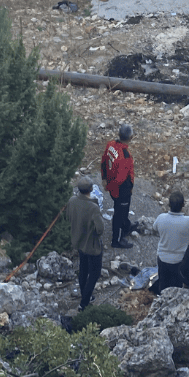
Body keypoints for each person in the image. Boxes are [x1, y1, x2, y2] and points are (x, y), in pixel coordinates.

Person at [65, 178, 105, 311]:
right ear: (91, 189)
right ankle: (84, 302)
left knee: (83, 269)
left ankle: (84, 294)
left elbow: (68, 217)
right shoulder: (93, 207)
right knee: (95, 273)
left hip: (78, 241)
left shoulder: (72, 201)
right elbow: (100, 229)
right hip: (92, 244)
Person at [152, 191, 189, 294]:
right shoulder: (188, 221)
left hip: (163, 258)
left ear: (169, 205)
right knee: (177, 287)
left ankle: (161, 302)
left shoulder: (161, 218)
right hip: (179, 260)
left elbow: (154, 228)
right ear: (183, 205)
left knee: (163, 284)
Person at [101, 124, 136, 249]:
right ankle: (117, 240)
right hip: (121, 190)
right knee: (119, 214)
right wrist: (110, 187)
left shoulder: (110, 145)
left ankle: (127, 225)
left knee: (122, 211)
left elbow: (104, 161)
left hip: (113, 186)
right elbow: (120, 179)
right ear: (131, 137)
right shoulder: (125, 156)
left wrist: (104, 178)